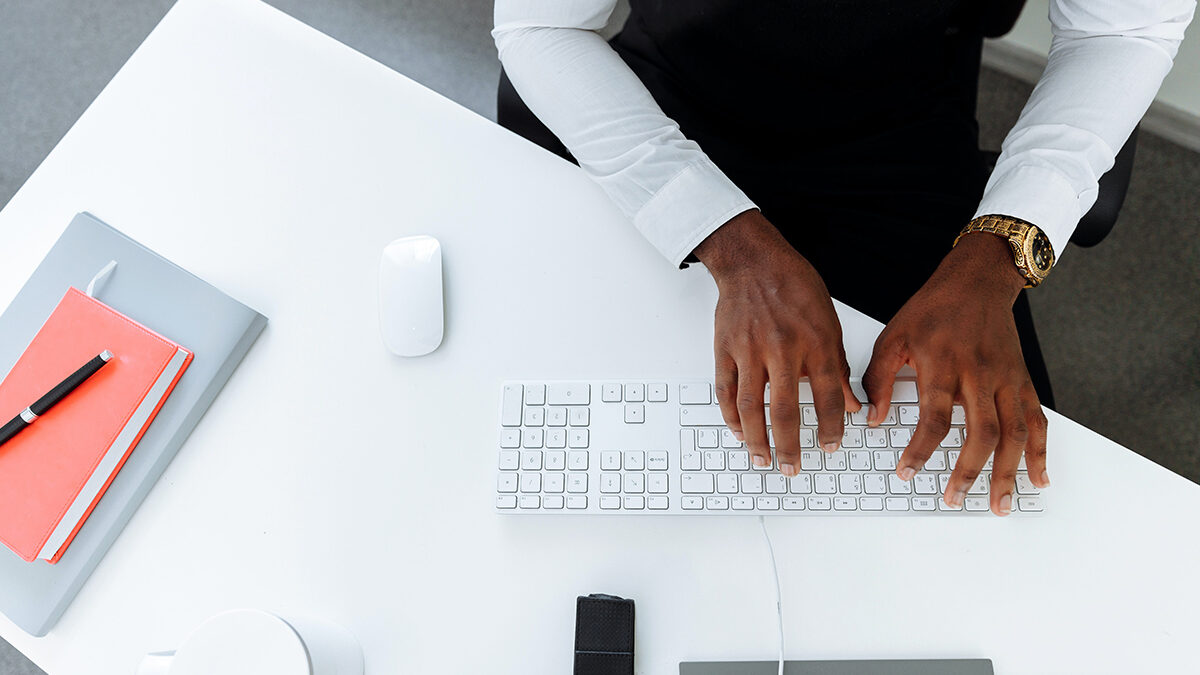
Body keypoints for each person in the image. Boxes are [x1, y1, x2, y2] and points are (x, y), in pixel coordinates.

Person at [492, 0, 1195, 516]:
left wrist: (996, 256)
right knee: (579, 459)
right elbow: (541, 26)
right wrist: (724, 236)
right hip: (669, 113)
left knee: (978, 510)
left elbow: (1123, 28)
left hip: (901, 131)